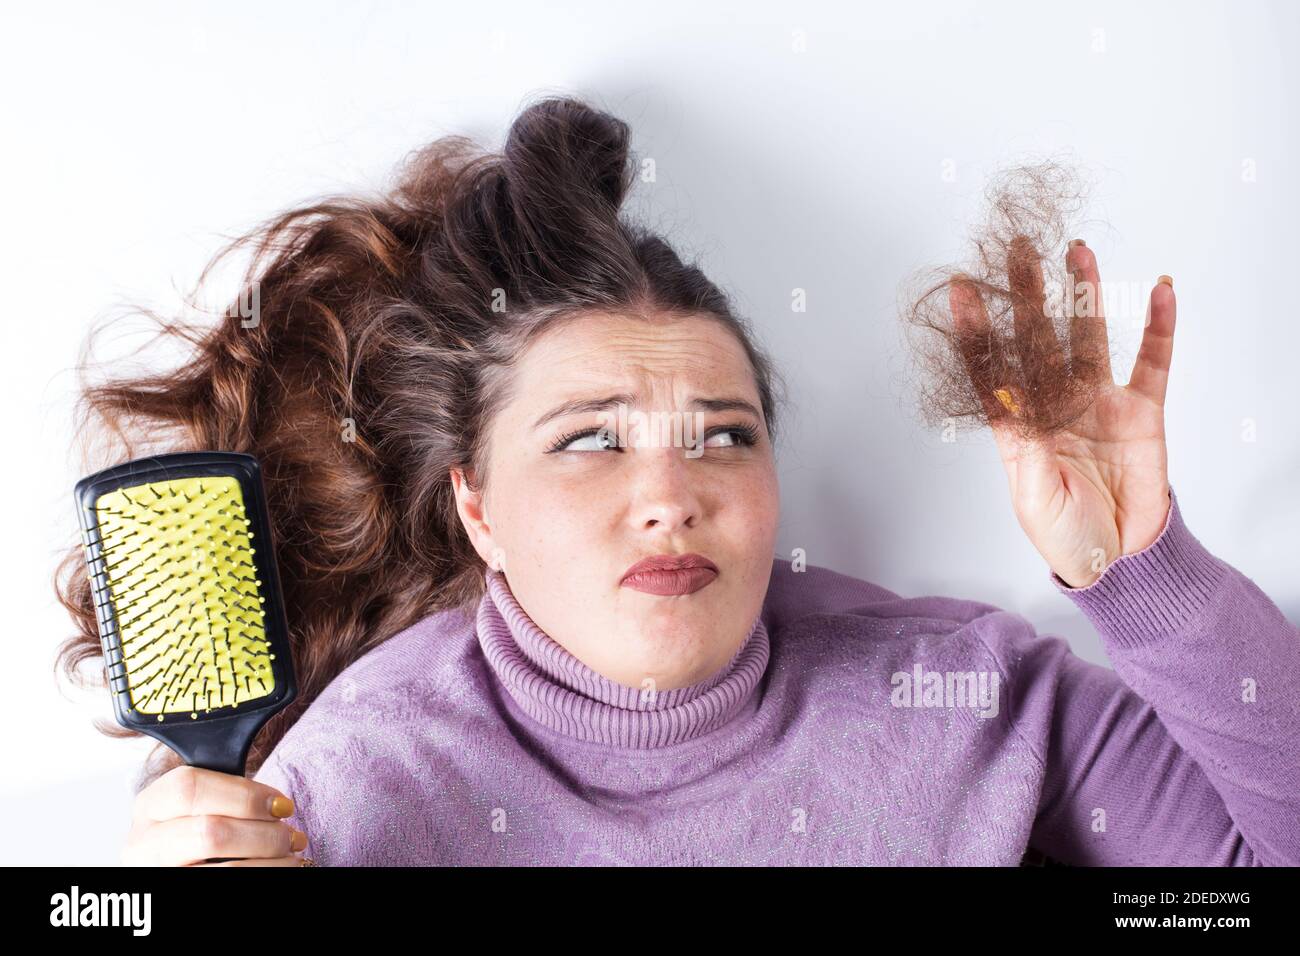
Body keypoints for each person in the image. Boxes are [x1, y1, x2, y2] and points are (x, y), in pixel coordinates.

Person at [59, 96, 1299, 866]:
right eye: (590, 438)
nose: (670, 492)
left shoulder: (970, 697)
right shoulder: (341, 791)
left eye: (723, 434)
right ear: (477, 510)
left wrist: (1148, 572)